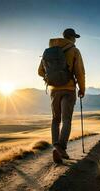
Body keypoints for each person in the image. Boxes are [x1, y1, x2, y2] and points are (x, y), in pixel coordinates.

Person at [38, 28, 85, 163]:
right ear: (72, 38)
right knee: (66, 120)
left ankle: (56, 146)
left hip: (54, 90)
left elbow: (40, 71)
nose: (75, 39)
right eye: (75, 37)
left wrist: (51, 78)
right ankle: (61, 148)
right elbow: (80, 72)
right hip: (69, 89)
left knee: (55, 120)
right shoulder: (74, 51)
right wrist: (82, 89)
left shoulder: (49, 51)